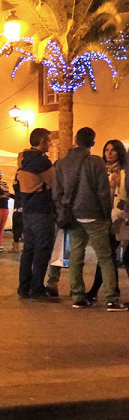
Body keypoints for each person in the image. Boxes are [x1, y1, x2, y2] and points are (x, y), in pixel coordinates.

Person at [53, 127, 127, 311]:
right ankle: (111, 299)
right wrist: (105, 214)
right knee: (105, 257)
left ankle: (78, 296)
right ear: (92, 142)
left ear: (76, 140)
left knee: (76, 256)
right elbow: (102, 191)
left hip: (72, 215)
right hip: (93, 214)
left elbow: (57, 192)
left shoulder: (62, 163)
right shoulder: (95, 162)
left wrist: (63, 210)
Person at [15, 128, 58, 301]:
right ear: (41, 141)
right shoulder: (41, 161)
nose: (50, 143)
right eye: (48, 140)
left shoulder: (24, 159)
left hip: (28, 210)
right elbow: (54, 183)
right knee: (42, 250)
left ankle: (24, 287)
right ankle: (37, 289)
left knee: (28, 251)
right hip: (42, 210)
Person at [88, 139, 129, 301]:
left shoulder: (124, 171)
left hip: (121, 218)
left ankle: (98, 291)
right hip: (107, 218)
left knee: (109, 255)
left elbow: (123, 196)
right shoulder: (102, 171)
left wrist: (118, 215)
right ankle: (111, 290)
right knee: (109, 255)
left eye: (113, 150)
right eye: (106, 150)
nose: (109, 153)